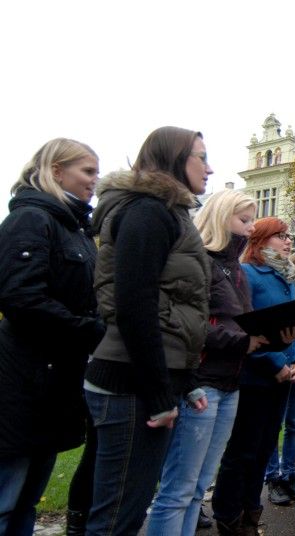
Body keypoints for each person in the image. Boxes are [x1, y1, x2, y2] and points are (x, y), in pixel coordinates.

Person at [85, 127, 212, 535]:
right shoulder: (148, 211)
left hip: (144, 381)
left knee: (124, 510)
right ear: (175, 158)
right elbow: (135, 306)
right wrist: (159, 392)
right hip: (130, 385)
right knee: (116, 519)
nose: (209, 168)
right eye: (201, 157)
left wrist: (185, 380)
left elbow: (172, 302)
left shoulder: (169, 213)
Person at [146, 191, 277, 535]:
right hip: (201, 383)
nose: (251, 228)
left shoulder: (236, 269)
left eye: (252, 220)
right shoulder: (198, 261)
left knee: (200, 485)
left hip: (231, 383)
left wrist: (275, 335)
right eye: (244, 220)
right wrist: (244, 341)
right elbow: (190, 324)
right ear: (220, 217)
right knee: (179, 488)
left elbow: (243, 321)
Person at [0, 139, 105, 536]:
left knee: (26, 499)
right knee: (6, 500)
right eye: (87, 171)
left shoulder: (74, 229)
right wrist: (92, 331)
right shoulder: (31, 219)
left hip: (54, 381)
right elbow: (22, 298)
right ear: (56, 171)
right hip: (23, 380)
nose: (94, 181)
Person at [211, 217, 295, 535]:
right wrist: (276, 362)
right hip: (255, 377)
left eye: (288, 236)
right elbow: (246, 326)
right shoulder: (248, 273)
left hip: (283, 378)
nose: (288, 241)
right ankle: (228, 515)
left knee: (265, 449)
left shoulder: (287, 276)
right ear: (262, 240)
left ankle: (251, 513)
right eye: (281, 236)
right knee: (243, 450)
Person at [264, 251, 295, 505]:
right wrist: (280, 362)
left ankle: (288, 473)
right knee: (274, 425)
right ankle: (273, 476)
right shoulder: (282, 291)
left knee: (294, 423)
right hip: (275, 367)